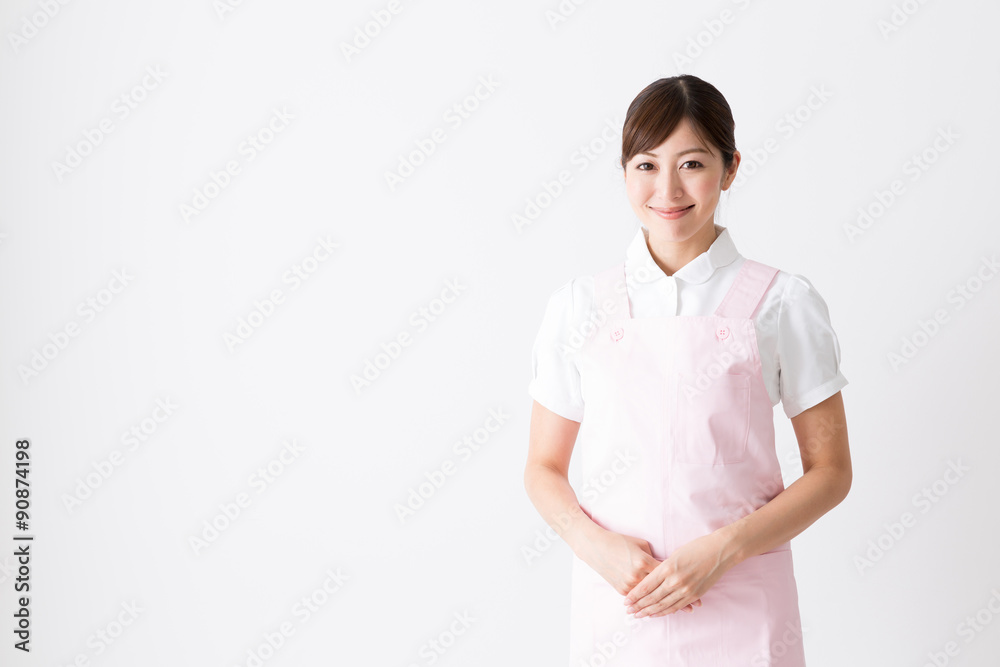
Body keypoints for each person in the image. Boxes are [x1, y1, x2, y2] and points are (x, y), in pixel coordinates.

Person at [523, 75, 852, 666]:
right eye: (646, 165)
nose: (667, 188)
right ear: (624, 173)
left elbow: (830, 473)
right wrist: (595, 546)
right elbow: (543, 469)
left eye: (692, 163)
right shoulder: (579, 306)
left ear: (730, 168)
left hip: (746, 606)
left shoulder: (782, 301)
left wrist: (724, 550)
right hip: (621, 602)